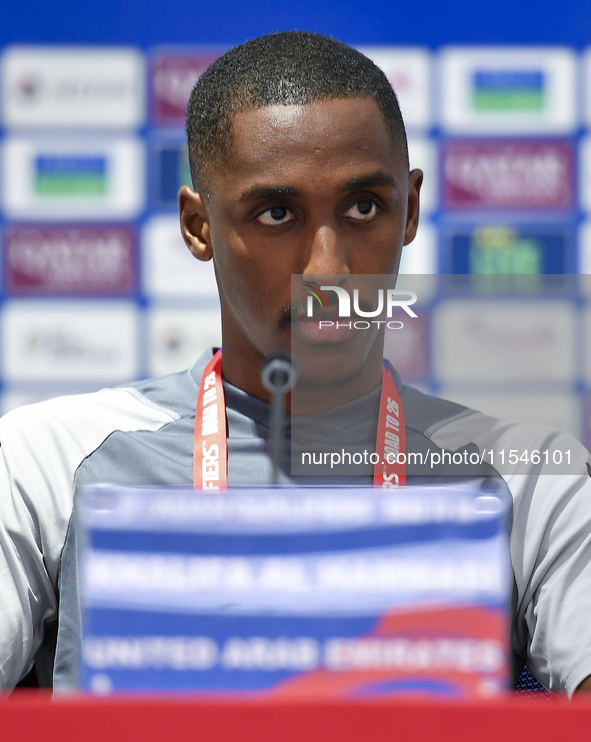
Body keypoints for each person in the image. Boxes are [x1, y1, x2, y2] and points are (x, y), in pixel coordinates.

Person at [1, 31, 590, 695]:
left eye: (364, 207)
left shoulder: (532, 477)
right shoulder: (45, 460)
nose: (328, 270)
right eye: (276, 213)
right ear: (199, 227)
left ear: (411, 210)